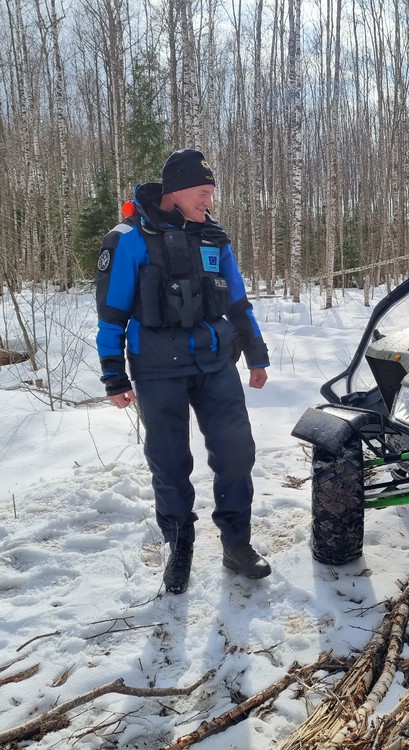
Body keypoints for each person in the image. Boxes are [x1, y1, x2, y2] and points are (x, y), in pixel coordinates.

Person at [95, 148, 271, 594]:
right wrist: (113, 374)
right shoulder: (129, 237)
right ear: (175, 189)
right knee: (170, 464)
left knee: (236, 454)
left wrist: (256, 353)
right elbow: (111, 313)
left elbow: (236, 300)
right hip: (157, 370)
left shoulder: (214, 237)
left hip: (215, 363)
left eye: (211, 194)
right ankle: (181, 547)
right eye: (202, 193)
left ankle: (237, 545)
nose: (208, 202)